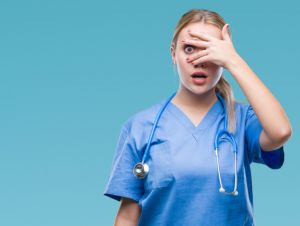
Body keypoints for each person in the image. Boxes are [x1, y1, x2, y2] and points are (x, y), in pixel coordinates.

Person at [103, 8, 292, 226]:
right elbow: (127, 217)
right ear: (173, 53)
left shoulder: (243, 120)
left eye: (210, 50)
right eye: (190, 49)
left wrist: (234, 61)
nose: (199, 60)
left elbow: (280, 132)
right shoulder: (140, 128)